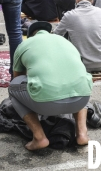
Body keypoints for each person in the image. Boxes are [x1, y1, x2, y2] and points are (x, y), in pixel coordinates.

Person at [9, 21, 93, 150]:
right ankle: (82, 133)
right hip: (81, 100)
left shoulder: (24, 44)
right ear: (50, 32)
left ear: (31, 35)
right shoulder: (65, 41)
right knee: (78, 81)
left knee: (13, 88)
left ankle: (39, 137)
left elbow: (17, 77)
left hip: (45, 103)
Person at [53, 0, 101, 72]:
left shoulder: (69, 15)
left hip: (79, 64)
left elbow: (56, 36)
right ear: (92, 1)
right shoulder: (100, 12)